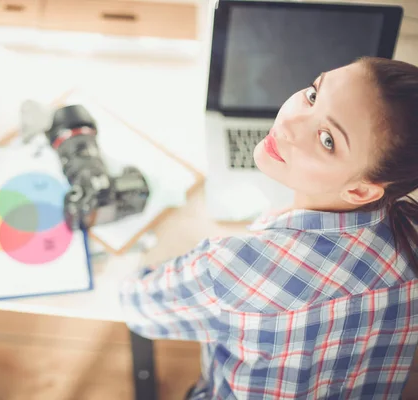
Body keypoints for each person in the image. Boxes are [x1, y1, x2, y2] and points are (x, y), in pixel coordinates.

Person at [119, 56, 418, 399]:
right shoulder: (410, 230)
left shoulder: (238, 268)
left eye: (327, 140)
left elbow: (137, 307)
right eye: (312, 94)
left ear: (361, 191)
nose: (290, 123)